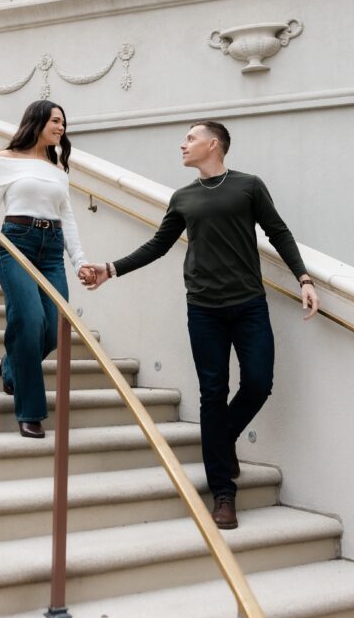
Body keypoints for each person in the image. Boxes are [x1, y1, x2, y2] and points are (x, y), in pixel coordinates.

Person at [83, 120, 318, 528]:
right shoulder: (183, 197)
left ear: (214, 144)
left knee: (259, 382)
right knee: (213, 393)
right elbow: (159, 245)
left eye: (190, 138)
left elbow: (278, 231)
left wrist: (304, 277)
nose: (183, 145)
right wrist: (111, 268)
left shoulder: (248, 186)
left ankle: (219, 440)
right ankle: (223, 492)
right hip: (203, 308)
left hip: (248, 303)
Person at [0, 100, 95, 438]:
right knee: (29, 321)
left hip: (51, 250)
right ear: (36, 121)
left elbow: (68, 218)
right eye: (55, 121)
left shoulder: (58, 169)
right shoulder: (4, 160)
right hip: (15, 245)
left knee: (52, 330)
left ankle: (11, 365)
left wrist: (79, 260)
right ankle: (31, 411)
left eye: (63, 123)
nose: (61, 127)